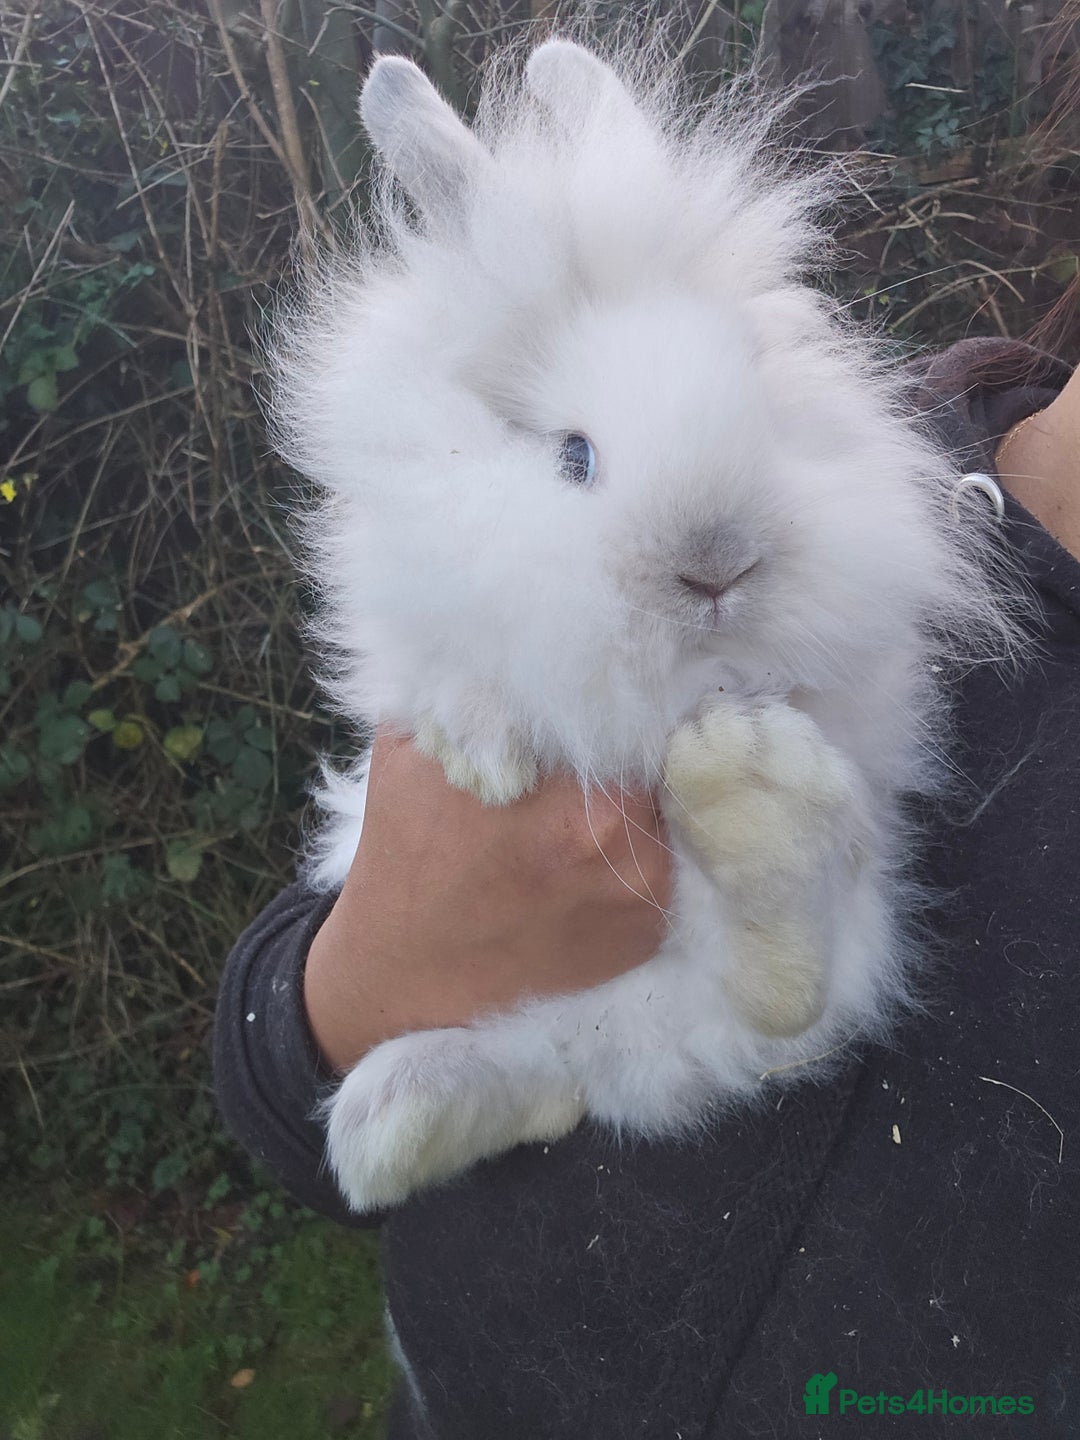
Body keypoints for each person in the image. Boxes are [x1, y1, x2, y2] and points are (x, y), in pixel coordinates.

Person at [214, 325, 1079, 1437]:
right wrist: (361, 982)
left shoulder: (850, 527)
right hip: (456, 1398)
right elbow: (288, 1085)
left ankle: (775, 920)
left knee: (783, 828)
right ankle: (511, 1069)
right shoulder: (886, 441)